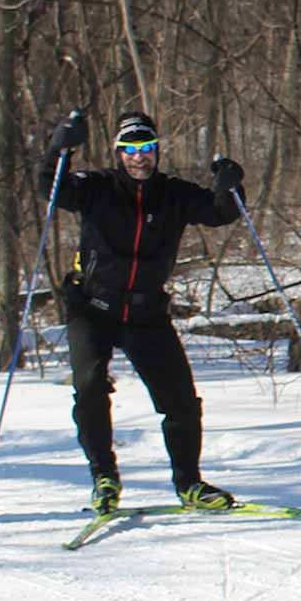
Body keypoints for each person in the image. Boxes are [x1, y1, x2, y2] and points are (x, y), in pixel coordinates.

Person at [40, 111, 247, 514]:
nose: (139, 158)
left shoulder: (172, 193)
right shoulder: (96, 187)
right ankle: (104, 477)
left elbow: (219, 212)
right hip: (93, 307)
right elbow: (54, 191)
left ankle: (189, 482)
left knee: (181, 402)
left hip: (146, 312)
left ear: (156, 151)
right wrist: (57, 149)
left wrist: (231, 184)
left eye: (146, 149)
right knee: (91, 387)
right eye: (131, 150)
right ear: (119, 153)